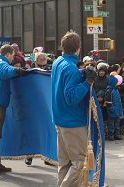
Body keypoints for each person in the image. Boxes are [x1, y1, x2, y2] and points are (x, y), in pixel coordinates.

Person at [51, 31, 95, 187]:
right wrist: (87, 82)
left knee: (64, 163)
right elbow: (71, 97)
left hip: (60, 118)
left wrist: (82, 73)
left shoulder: (58, 62)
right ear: (78, 48)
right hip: (73, 121)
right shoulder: (70, 67)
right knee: (79, 162)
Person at [0, 44, 27, 177]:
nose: (13, 58)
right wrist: (17, 71)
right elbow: (7, 70)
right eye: (12, 55)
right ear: (7, 54)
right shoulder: (2, 63)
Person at [105, 76, 123, 140]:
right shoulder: (109, 91)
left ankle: (117, 134)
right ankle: (111, 135)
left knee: (117, 124)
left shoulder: (116, 90)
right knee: (111, 124)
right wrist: (111, 109)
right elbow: (108, 102)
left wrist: (120, 110)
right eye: (116, 82)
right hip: (112, 111)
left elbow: (119, 101)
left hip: (117, 110)